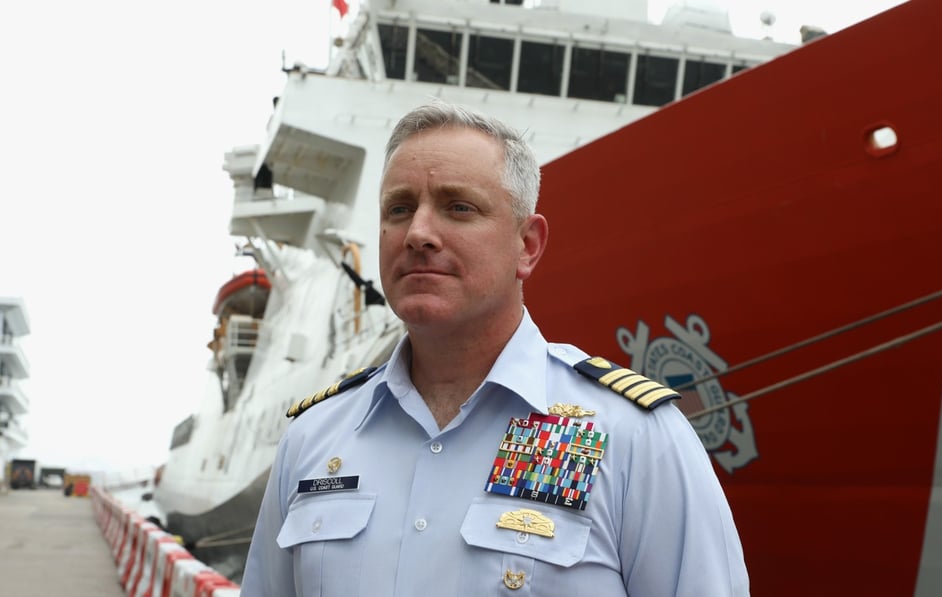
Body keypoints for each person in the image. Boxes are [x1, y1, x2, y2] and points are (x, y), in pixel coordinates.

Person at [240, 100, 749, 596]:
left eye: (458, 207)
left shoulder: (634, 437)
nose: (418, 233)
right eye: (399, 209)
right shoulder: (312, 441)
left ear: (527, 246)